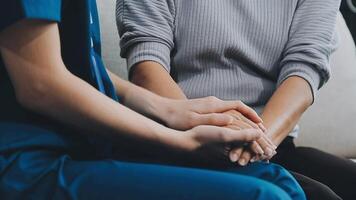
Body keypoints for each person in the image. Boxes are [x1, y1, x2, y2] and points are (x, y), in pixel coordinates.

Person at [0, 0, 307, 199]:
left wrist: (171, 110)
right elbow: (40, 84)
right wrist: (178, 140)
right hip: (26, 163)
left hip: (83, 144)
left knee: (279, 181)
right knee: (266, 197)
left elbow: (73, 63)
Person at [116, 0, 356, 199]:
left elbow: (304, 71)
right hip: (182, 141)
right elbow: (147, 68)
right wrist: (208, 133)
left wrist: (252, 142)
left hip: (270, 140)